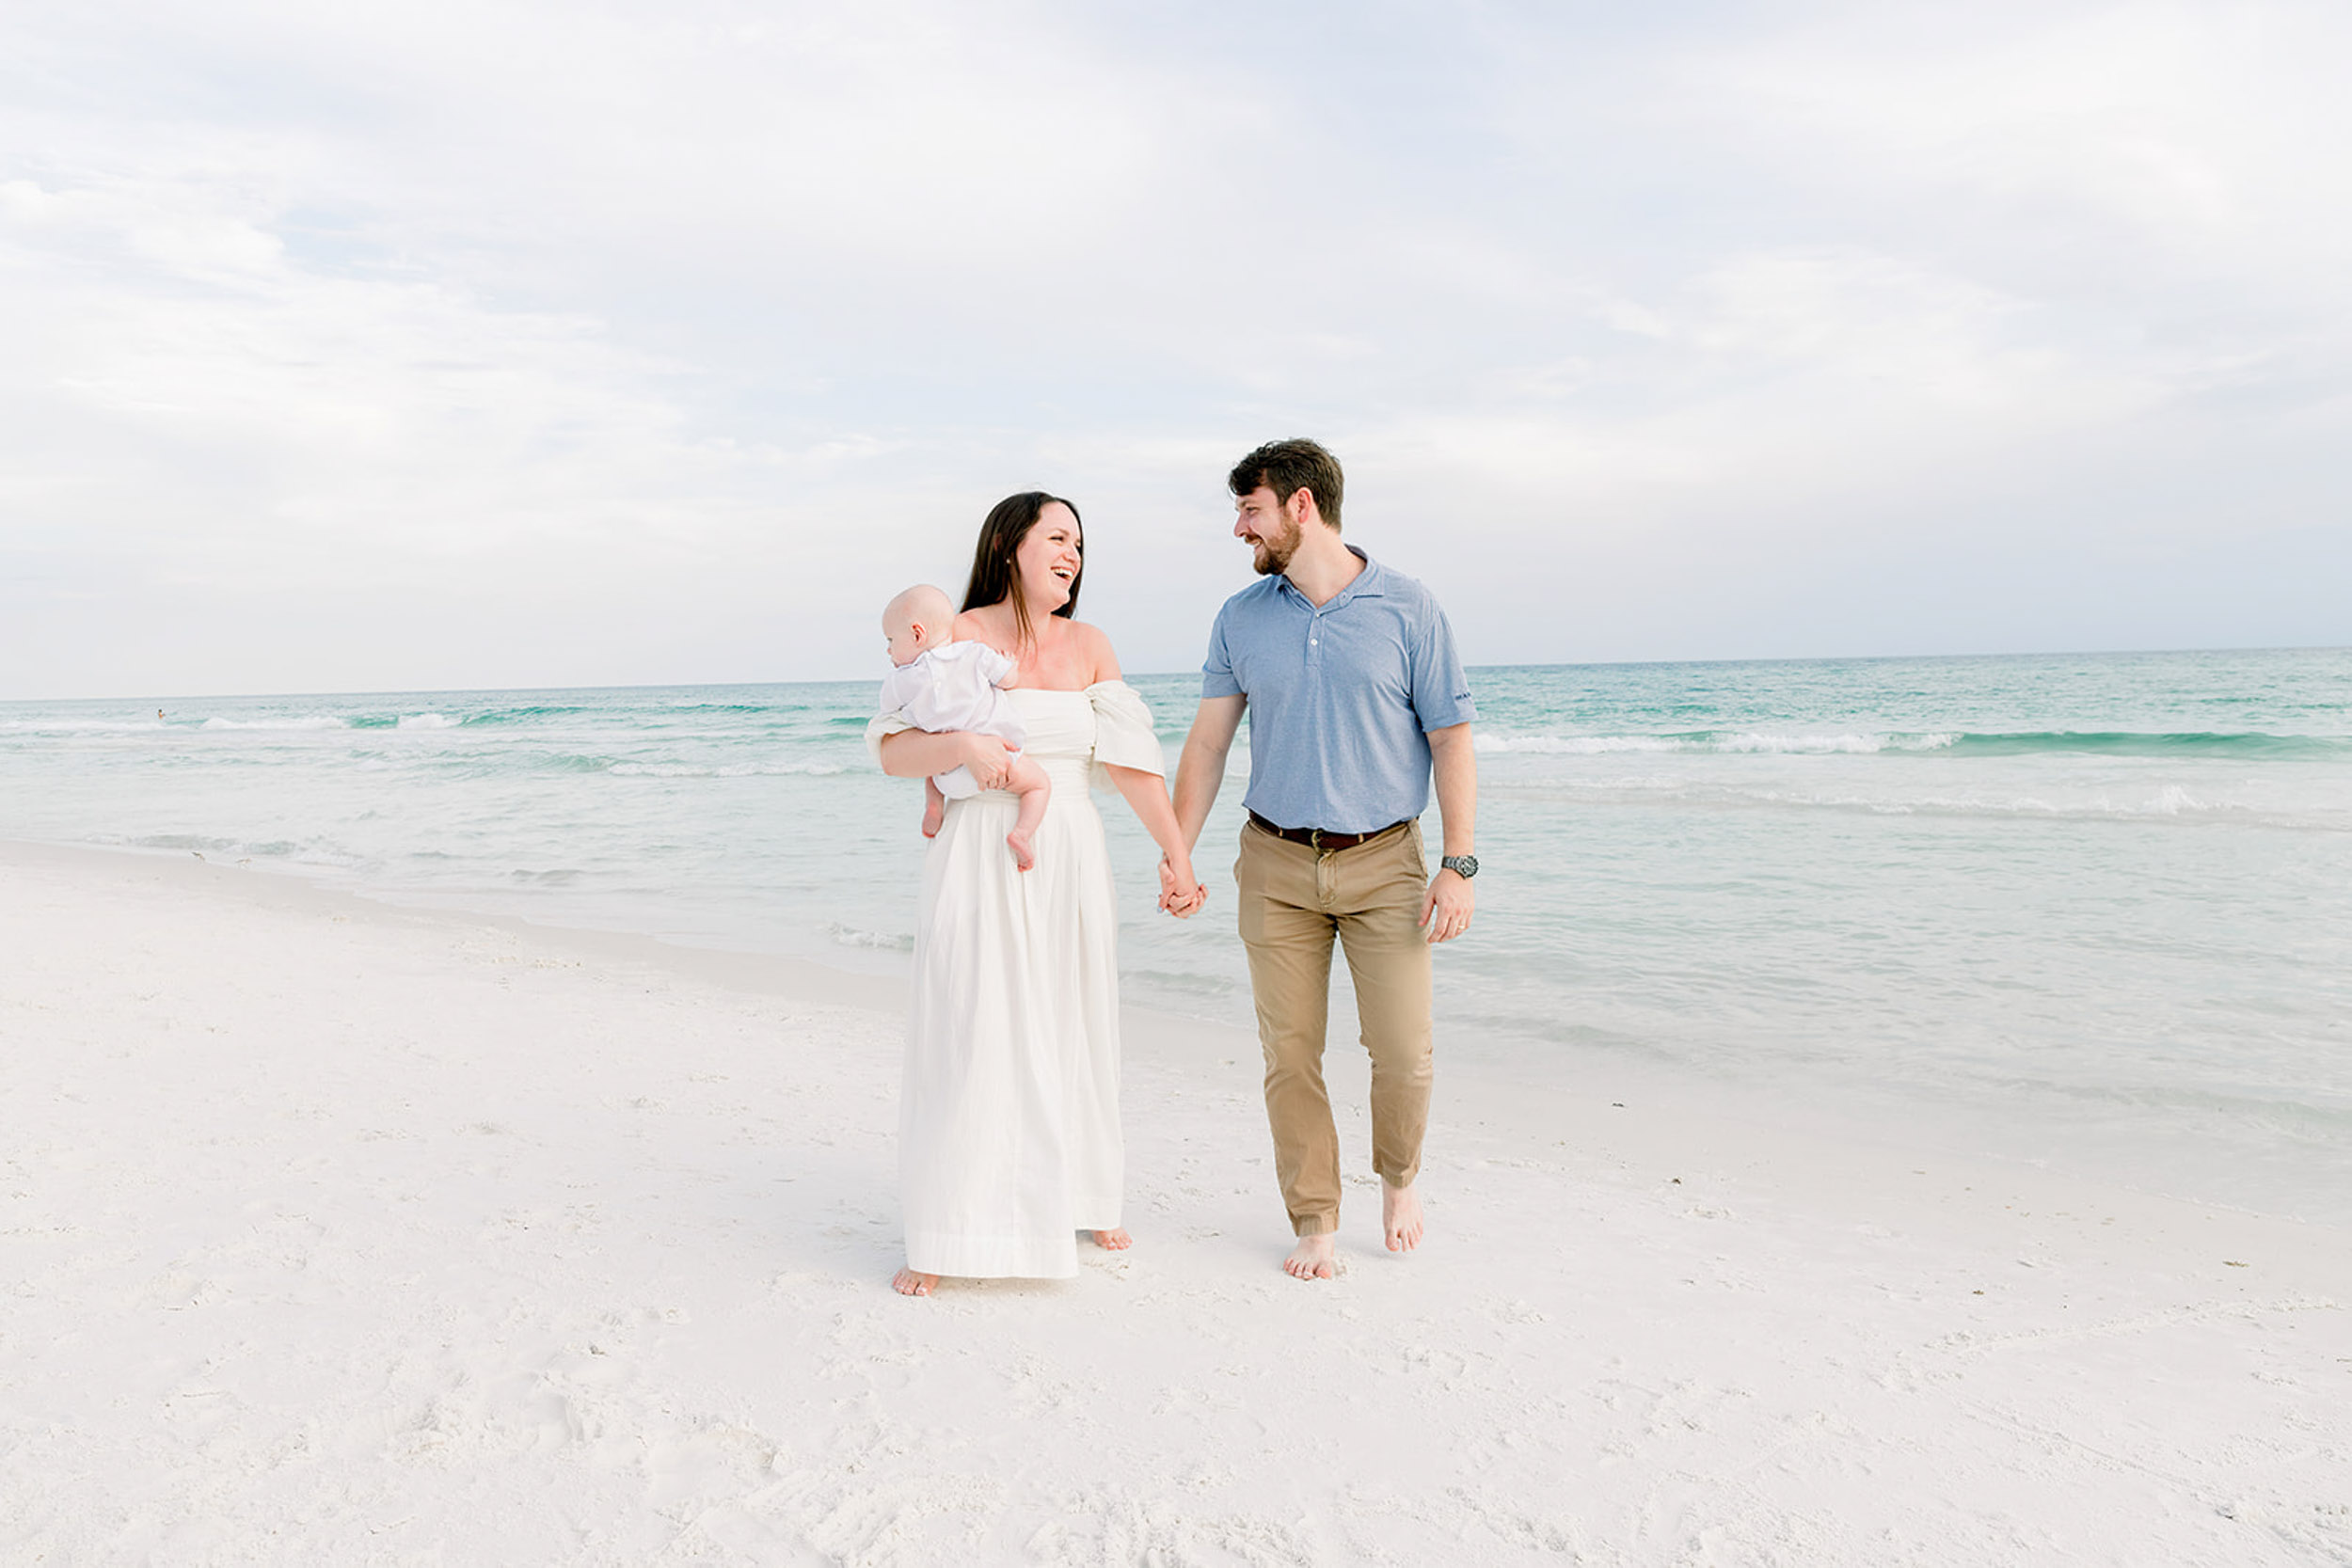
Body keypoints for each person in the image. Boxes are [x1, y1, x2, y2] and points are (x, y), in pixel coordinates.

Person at [870, 492, 1203, 1296]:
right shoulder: (958, 631)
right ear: (1012, 544)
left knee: (1072, 1016)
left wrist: (1177, 854)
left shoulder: (1092, 645)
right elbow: (891, 748)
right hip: (980, 846)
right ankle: (951, 1223)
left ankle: (1086, 1191)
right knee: (973, 1024)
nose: (1072, 554)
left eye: (1080, 544)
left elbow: (1129, 762)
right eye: (1057, 537)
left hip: (1070, 847)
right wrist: (960, 744)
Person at [1165, 439, 1478, 1282]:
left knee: (1404, 1050)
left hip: (1386, 862)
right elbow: (1208, 741)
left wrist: (1461, 863)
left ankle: (1400, 1178)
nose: (1240, 528)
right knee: (1290, 1052)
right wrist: (1176, 852)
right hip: (1273, 861)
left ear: (1301, 507)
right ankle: (1316, 1216)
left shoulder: (1408, 608)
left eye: (1251, 510)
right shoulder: (1241, 616)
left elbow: (1450, 737)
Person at [878, 582, 1053, 869]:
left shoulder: (901, 681)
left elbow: (886, 710)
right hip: (998, 763)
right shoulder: (974, 654)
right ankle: (1022, 835)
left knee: (931, 755)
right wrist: (1009, 663)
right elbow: (1010, 680)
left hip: (946, 777)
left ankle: (934, 806)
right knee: (1039, 785)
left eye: (890, 641)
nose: (888, 650)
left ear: (917, 634)